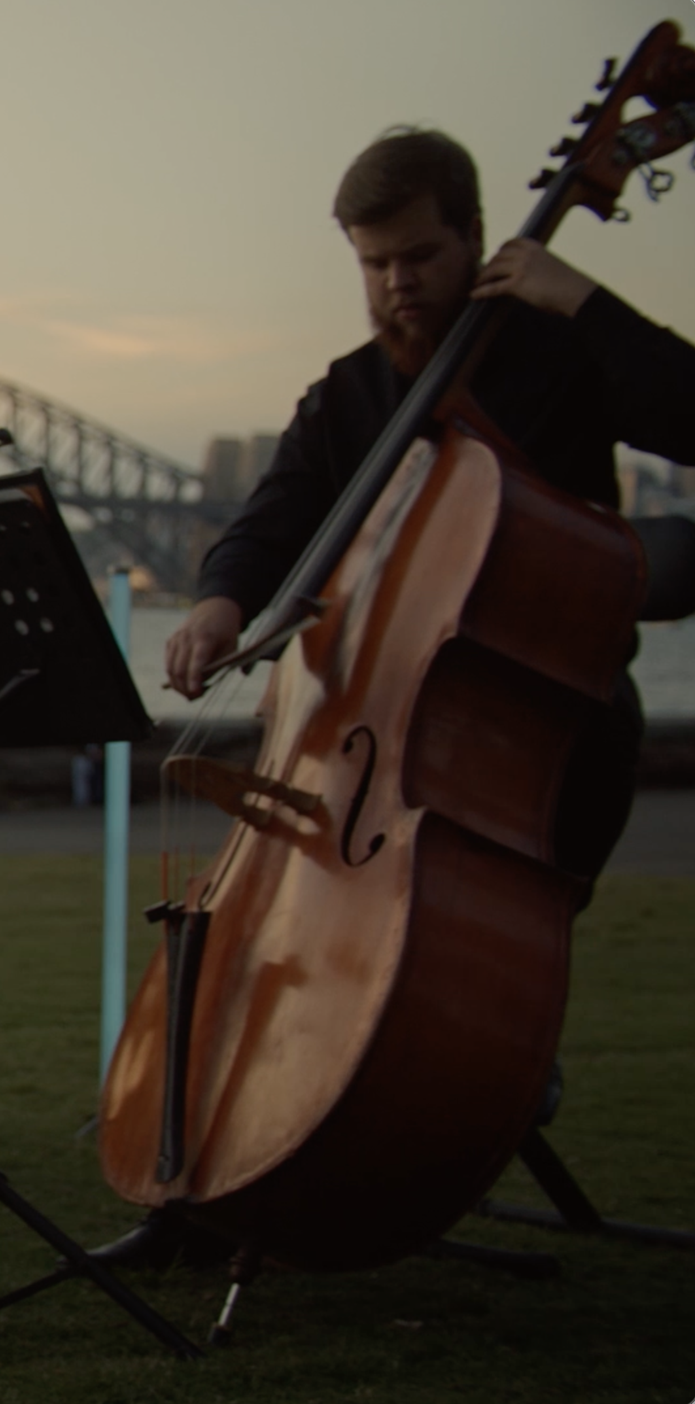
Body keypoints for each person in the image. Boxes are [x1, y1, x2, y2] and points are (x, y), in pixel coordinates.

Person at [105, 126, 695, 1268]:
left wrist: (583, 300)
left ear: (475, 238)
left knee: (564, 787)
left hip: (541, 720)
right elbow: (274, 518)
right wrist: (223, 603)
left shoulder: (556, 354)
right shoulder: (349, 393)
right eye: (372, 264)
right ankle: (201, 1177)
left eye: (417, 256)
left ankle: (493, 1053)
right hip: (368, 737)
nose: (394, 284)